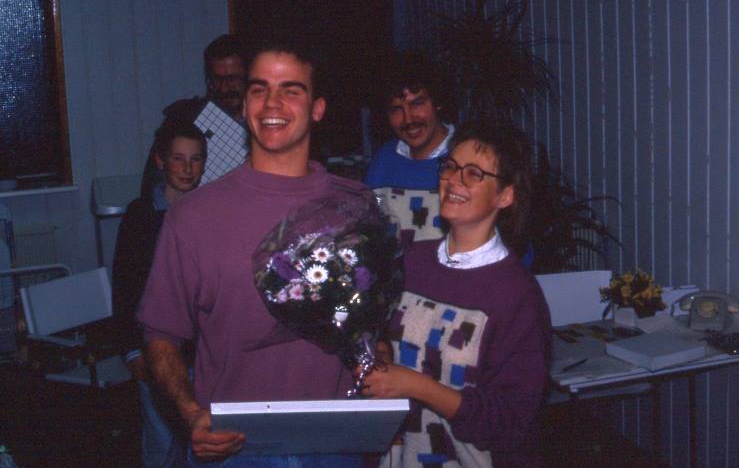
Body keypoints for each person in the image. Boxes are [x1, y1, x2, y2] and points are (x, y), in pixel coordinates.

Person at [136, 39, 370, 467]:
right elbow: (160, 335)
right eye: (259, 89)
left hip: (333, 443)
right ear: (245, 106)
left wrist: (375, 359)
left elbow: (371, 323)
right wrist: (190, 414)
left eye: (291, 90)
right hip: (232, 446)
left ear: (318, 108)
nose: (272, 103)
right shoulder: (193, 216)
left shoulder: (356, 207)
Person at [361, 119, 552, 467]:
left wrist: (416, 386)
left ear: (506, 196)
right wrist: (382, 351)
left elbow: (510, 422)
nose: (453, 180)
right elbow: (380, 330)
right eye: (450, 166)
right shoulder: (412, 261)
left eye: (474, 173)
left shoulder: (517, 293)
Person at [112, 121, 207, 468]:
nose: (187, 168)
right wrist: (132, 349)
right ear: (160, 161)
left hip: (202, 351)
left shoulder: (210, 211)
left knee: (203, 439)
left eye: (195, 159)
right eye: (178, 158)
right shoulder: (141, 216)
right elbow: (125, 286)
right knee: (162, 440)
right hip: (156, 352)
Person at [363, 51, 456, 248]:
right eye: (396, 109)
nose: (408, 119)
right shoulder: (383, 161)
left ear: (437, 103)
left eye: (417, 104)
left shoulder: (467, 159)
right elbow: (372, 233)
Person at [140, 34, 247, 197]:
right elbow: (154, 180)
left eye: (232, 79)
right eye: (217, 79)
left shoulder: (265, 123)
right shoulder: (184, 117)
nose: (224, 88)